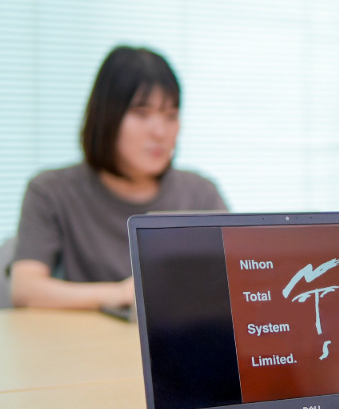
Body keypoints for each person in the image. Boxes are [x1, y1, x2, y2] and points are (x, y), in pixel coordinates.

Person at [10, 45, 227, 309]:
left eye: (171, 115)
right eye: (141, 113)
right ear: (106, 117)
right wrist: (120, 293)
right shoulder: (51, 191)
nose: (160, 132)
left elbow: (235, 281)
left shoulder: (200, 193)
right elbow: (25, 289)